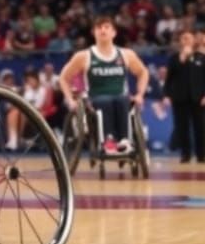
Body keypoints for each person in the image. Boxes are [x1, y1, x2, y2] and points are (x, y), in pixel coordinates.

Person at [58, 15, 149, 154]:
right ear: (93, 32)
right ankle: (108, 140)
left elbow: (143, 72)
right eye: (99, 28)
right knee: (105, 100)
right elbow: (64, 78)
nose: (103, 30)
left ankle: (125, 140)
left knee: (122, 99)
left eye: (107, 27)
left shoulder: (126, 54)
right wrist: (70, 99)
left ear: (114, 32)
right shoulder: (84, 56)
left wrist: (140, 94)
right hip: (95, 98)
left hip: (120, 97)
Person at [163, 29, 205, 162]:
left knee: (200, 127)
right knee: (182, 127)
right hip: (179, 98)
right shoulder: (174, 58)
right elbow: (169, 78)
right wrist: (166, 95)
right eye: (183, 38)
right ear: (180, 41)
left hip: (198, 98)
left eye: (188, 38)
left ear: (194, 40)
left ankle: (201, 155)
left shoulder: (201, 57)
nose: (186, 41)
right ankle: (185, 154)